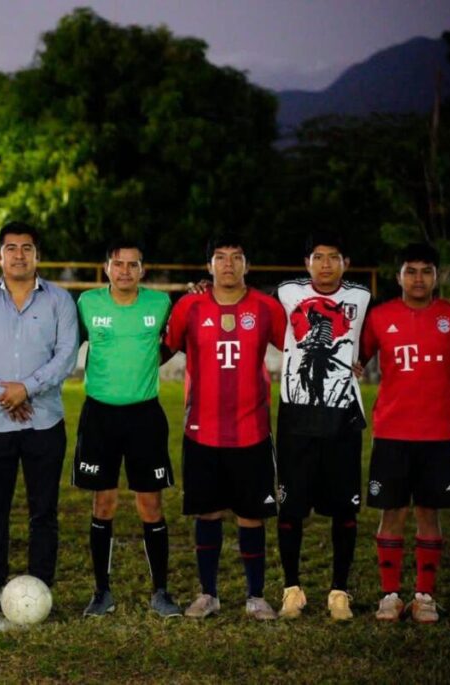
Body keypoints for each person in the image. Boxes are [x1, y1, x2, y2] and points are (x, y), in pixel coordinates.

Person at [0, 221, 79, 616]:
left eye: (27, 248)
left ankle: (41, 584)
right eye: (11, 248)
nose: (19, 255)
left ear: (37, 255)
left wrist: (26, 388)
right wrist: (2, 392)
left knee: (44, 510)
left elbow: (66, 355)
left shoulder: (59, 300)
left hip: (44, 421)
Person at [163, 234, 285, 621]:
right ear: (209, 266)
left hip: (252, 429)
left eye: (236, 258)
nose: (228, 265)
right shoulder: (190, 305)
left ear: (246, 265)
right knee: (208, 514)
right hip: (202, 429)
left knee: (252, 516)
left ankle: (255, 596)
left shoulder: (267, 308)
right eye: (220, 257)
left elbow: (294, 349)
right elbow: (166, 347)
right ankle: (208, 594)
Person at [74, 240, 179, 618]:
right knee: (103, 502)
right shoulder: (87, 303)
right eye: (118, 264)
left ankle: (161, 592)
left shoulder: (160, 304)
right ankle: (102, 592)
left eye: (132, 265)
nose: (124, 271)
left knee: (150, 503)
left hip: (144, 416)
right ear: (106, 268)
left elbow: (171, 343)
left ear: (142, 270)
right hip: (99, 415)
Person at [360, 242, 450, 624]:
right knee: (393, 512)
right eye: (411, 270)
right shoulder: (380, 316)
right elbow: (357, 359)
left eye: (426, 270)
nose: (418, 278)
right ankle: (389, 595)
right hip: (392, 432)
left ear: (437, 276)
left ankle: (424, 596)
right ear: (398, 275)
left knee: (429, 513)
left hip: (437, 433)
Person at [273, 231, 371, 621]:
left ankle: (339, 591)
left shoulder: (361, 297)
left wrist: (361, 361)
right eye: (318, 257)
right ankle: (292, 589)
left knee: (344, 508)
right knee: (290, 507)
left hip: (342, 414)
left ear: (345, 262)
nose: (325, 264)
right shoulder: (286, 292)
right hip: (295, 414)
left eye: (333, 257)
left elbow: (374, 335)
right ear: (306, 262)